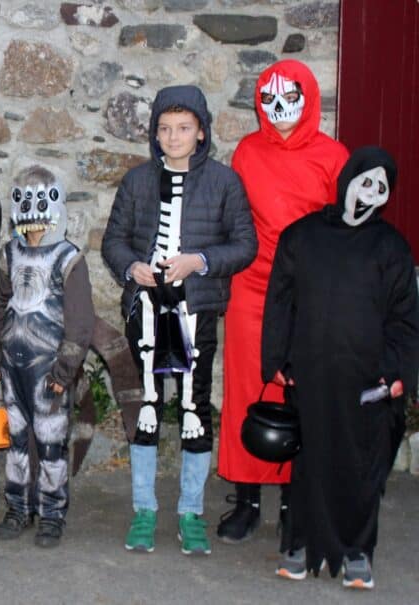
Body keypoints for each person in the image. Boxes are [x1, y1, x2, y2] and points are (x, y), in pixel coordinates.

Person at [102, 85, 257, 556]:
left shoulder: (225, 184)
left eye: (183, 128)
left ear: (201, 132)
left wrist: (201, 260)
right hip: (146, 310)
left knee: (195, 410)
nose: (173, 137)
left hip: (198, 310)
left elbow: (244, 245)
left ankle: (191, 510)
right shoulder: (136, 182)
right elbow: (115, 241)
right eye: (165, 129)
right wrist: (132, 267)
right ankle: (144, 509)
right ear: (155, 133)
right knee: (146, 407)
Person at [262, 147, 419, 588]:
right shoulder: (302, 236)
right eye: (364, 181)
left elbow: (405, 318)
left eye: (380, 187)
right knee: (309, 460)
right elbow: (280, 302)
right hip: (310, 372)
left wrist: (398, 372)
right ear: (347, 180)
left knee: (360, 464)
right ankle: (299, 545)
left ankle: (357, 551)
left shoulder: (391, 247)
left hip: (367, 379)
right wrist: (276, 359)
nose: (370, 193)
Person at [218, 59, 350, 543]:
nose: (278, 110)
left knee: (305, 391)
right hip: (251, 287)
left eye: (289, 99)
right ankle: (248, 499)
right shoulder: (247, 152)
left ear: (308, 97)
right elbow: (232, 220)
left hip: (310, 289)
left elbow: (345, 230)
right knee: (247, 389)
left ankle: (298, 502)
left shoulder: (335, 157)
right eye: (268, 101)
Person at [0, 165, 91, 547]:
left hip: (49, 369)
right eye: (23, 197)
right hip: (14, 366)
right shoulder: (9, 254)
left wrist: (65, 369)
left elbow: (80, 321)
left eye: (40, 196)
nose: (32, 206)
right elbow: (1, 306)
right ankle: (17, 507)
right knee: (16, 442)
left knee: (50, 445)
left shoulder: (68, 258)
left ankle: (51, 513)